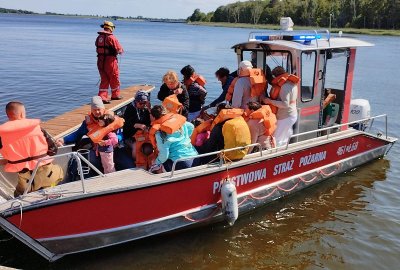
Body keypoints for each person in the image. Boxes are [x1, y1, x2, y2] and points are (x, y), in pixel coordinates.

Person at [0, 101, 63, 195]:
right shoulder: (37, 128)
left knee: (18, 195)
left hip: (27, 183)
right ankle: (53, 191)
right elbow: (53, 150)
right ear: (22, 114)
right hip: (48, 175)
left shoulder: (2, 134)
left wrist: (8, 161)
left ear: (8, 115)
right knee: (59, 174)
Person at [56, 96, 132, 174]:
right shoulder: (87, 123)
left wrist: (116, 139)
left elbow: (121, 135)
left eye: (99, 109)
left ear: (103, 109)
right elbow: (77, 134)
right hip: (97, 150)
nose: (97, 112)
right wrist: (64, 139)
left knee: (129, 165)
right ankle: (98, 174)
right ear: (91, 110)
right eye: (94, 110)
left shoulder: (111, 118)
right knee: (91, 160)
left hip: (115, 148)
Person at [149, 105, 198, 173]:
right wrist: (186, 137)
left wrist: (156, 162)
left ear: (153, 117)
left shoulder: (159, 132)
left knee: (156, 165)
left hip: (182, 163)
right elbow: (191, 126)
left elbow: (164, 155)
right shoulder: (179, 123)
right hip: (195, 158)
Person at [263, 66, 299, 147]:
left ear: (276, 76)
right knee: (286, 135)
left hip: (285, 116)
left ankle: (276, 155)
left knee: (276, 137)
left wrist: (270, 101)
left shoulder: (284, 86)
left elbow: (285, 104)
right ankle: (285, 150)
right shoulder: (291, 83)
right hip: (291, 115)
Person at [96, 21, 124, 104]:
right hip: (110, 61)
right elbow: (119, 50)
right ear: (111, 28)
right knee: (114, 78)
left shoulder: (99, 37)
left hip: (100, 61)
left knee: (104, 79)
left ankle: (102, 97)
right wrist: (120, 51)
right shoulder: (111, 37)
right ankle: (115, 95)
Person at [123, 91, 151, 159]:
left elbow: (150, 121)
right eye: (140, 103)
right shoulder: (130, 109)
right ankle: (136, 162)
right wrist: (136, 125)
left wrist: (149, 109)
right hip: (131, 136)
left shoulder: (146, 109)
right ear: (136, 102)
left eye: (144, 103)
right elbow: (126, 123)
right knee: (136, 147)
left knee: (149, 148)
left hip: (143, 134)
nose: (143, 105)